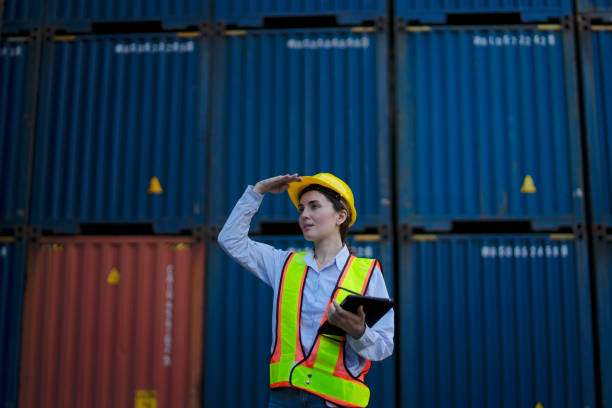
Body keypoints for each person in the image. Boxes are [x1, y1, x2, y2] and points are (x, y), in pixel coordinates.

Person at [218, 173, 394, 408]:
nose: (304, 216)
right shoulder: (283, 264)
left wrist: (359, 331)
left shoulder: (368, 273)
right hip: (284, 398)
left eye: (314, 207)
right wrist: (257, 191)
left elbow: (383, 347)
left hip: (336, 400)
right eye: (301, 209)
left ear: (340, 216)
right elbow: (230, 240)